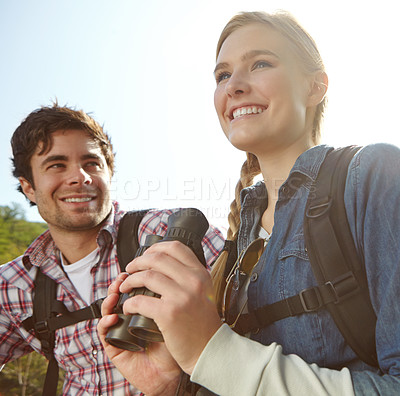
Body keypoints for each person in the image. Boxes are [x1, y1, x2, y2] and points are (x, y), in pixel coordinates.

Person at [97, 9, 400, 396]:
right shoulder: (236, 244)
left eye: (260, 63)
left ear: (315, 87)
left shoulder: (373, 175)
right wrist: (173, 384)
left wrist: (212, 351)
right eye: (222, 75)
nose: (233, 86)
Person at [0, 103, 225, 395]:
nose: (79, 177)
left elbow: (264, 312)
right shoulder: (13, 285)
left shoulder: (171, 232)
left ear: (110, 171)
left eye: (92, 163)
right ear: (28, 186)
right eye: (56, 165)